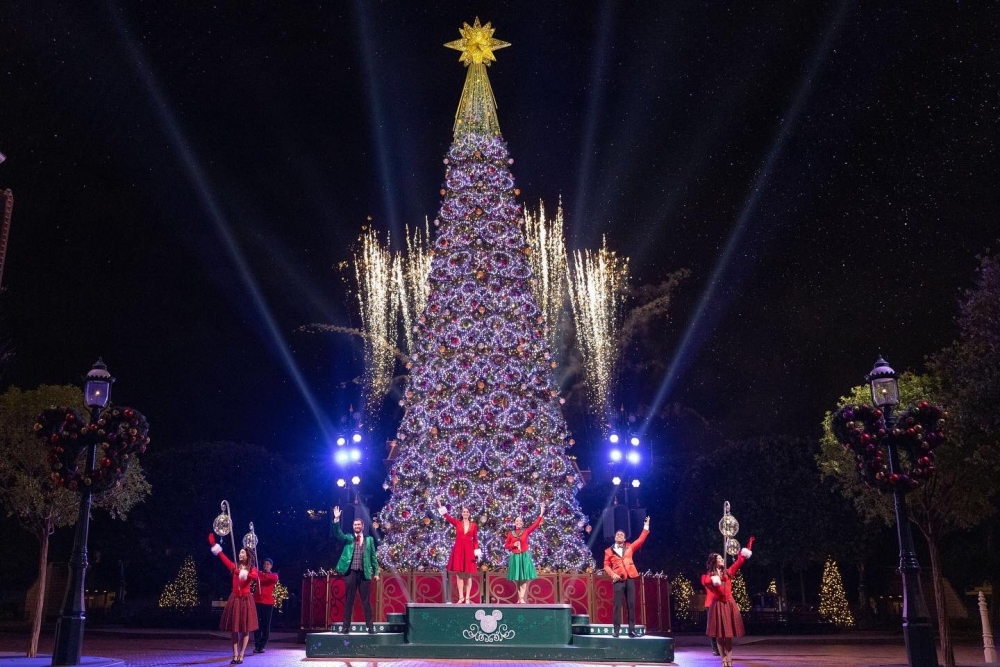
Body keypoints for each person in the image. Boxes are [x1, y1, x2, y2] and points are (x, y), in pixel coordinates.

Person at [702, 537, 755, 667]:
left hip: (729, 603)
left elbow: (740, 561)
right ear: (714, 562)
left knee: (729, 635)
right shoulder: (709, 577)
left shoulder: (728, 572)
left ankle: (730, 660)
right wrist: (717, 581)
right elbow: (710, 585)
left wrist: (748, 547)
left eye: (722, 558)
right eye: (719, 559)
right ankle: (723, 659)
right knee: (720, 636)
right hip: (718, 604)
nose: (722, 560)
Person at [208, 534, 259, 665]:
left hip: (246, 600)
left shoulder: (252, 568)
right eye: (239, 552)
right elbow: (222, 557)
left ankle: (242, 655)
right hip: (235, 599)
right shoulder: (233, 566)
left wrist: (242, 573)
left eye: (242, 553)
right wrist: (215, 546)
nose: (240, 554)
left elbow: (254, 576)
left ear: (247, 555)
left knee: (245, 629)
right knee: (234, 629)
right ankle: (235, 654)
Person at [331, 506, 380, 634]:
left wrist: (376, 572)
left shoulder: (369, 540)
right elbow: (338, 534)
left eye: (359, 524)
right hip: (351, 572)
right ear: (353, 526)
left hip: (364, 574)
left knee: (366, 601)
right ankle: (345, 628)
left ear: (362, 526)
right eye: (355, 524)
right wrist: (336, 519)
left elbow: (373, 557)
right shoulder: (348, 538)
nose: (357, 526)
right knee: (349, 600)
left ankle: (370, 627)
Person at [603, 516, 650, 637]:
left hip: (629, 578)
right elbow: (606, 565)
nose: (619, 536)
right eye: (617, 534)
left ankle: (631, 630)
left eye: (621, 535)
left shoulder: (630, 547)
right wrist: (613, 575)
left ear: (624, 539)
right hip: (618, 580)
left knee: (631, 604)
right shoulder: (608, 551)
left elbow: (640, 540)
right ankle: (616, 630)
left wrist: (646, 526)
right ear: (615, 537)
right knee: (617, 605)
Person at [437, 499, 482, 604]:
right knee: (459, 575)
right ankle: (461, 597)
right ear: (461, 514)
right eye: (464, 512)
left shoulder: (474, 525)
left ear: (469, 514)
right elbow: (447, 516)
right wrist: (440, 505)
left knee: (468, 575)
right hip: (459, 550)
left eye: (467, 512)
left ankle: (467, 598)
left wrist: (477, 552)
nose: (465, 513)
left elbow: (475, 539)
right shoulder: (457, 523)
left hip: (469, 550)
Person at [504, 502, 545, 603]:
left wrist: (541, 514)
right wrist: (513, 545)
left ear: (522, 523)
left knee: (523, 578)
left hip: (524, 556)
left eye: (520, 521)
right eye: (517, 521)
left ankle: (521, 598)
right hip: (515, 556)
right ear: (514, 523)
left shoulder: (526, 531)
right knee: (517, 578)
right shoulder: (510, 534)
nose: (518, 522)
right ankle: (520, 598)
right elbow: (506, 546)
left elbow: (534, 525)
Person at [252, 557, 279, 654]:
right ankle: (257, 645)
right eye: (264, 564)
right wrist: (258, 573)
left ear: (271, 566)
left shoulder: (273, 575)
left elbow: (274, 579)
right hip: (257, 602)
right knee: (256, 625)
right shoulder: (258, 574)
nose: (266, 566)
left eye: (268, 564)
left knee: (266, 625)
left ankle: (262, 645)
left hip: (267, 603)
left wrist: (262, 574)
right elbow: (253, 575)